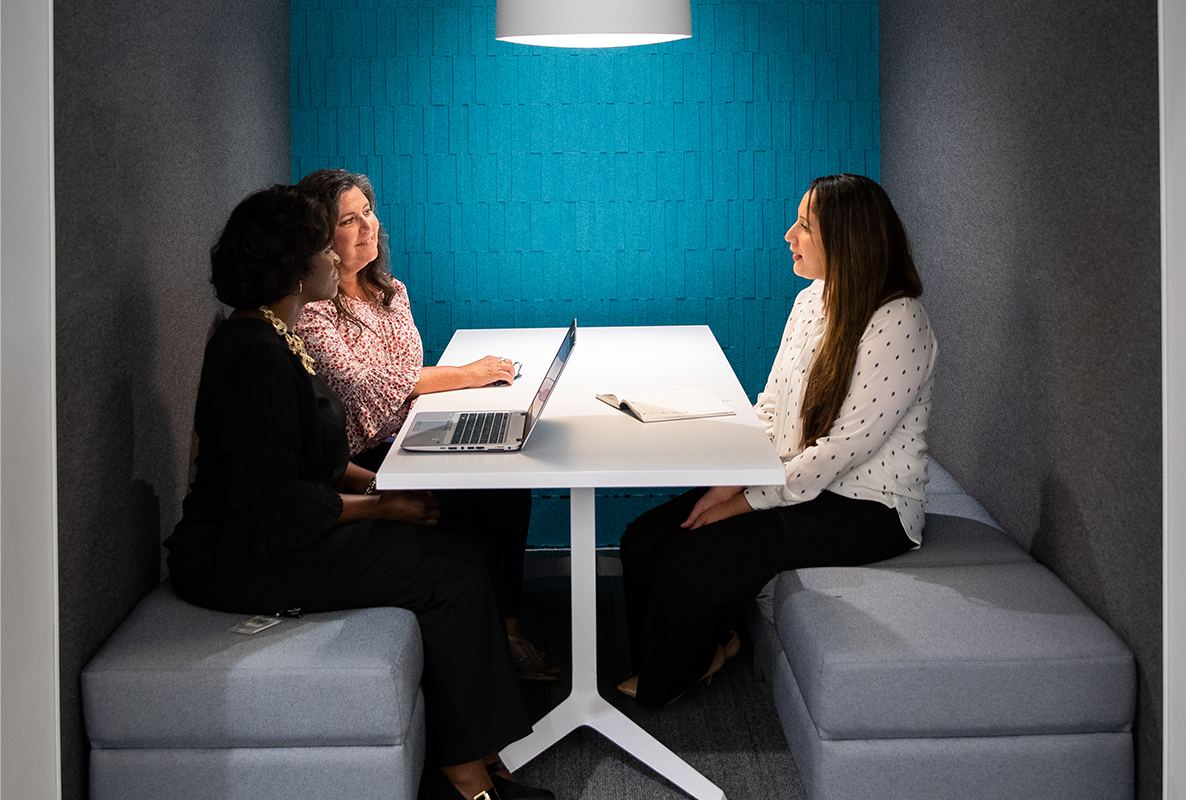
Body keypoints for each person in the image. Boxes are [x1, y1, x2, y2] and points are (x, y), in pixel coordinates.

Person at [165, 186, 552, 800]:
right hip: (242, 558)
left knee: (465, 549)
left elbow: (309, 459)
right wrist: (387, 505)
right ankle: (467, 777)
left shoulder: (274, 337)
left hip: (280, 528)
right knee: (449, 571)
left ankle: (482, 753)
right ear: (294, 269)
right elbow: (283, 511)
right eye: (326, 243)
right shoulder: (255, 359)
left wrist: (370, 479)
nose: (337, 255)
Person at [618, 174, 938, 709]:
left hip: (866, 507)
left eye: (805, 227)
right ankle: (703, 644)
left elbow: (841, 451)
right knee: (645, 537)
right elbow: (770, 405)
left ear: (847, 240)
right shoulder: (813, 299)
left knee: (690, 563)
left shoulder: (898, 321)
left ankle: (672, 676)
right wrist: (729, 483)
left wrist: (744, 502)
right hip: (796, 479)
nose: (789, 235)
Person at [293, 169, 557, 681]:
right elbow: (365, 387)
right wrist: (462, 375)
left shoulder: (391, 291)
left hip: (410, 434)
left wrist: (463, 384)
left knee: (510, 481)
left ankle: (508, 628)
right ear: (320, 237)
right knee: (489, 495)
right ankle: (501, 643)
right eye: (348, 220)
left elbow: (404, 377)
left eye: (367, 211)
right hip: (363, 460)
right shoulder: (314, 311)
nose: (367, 226)